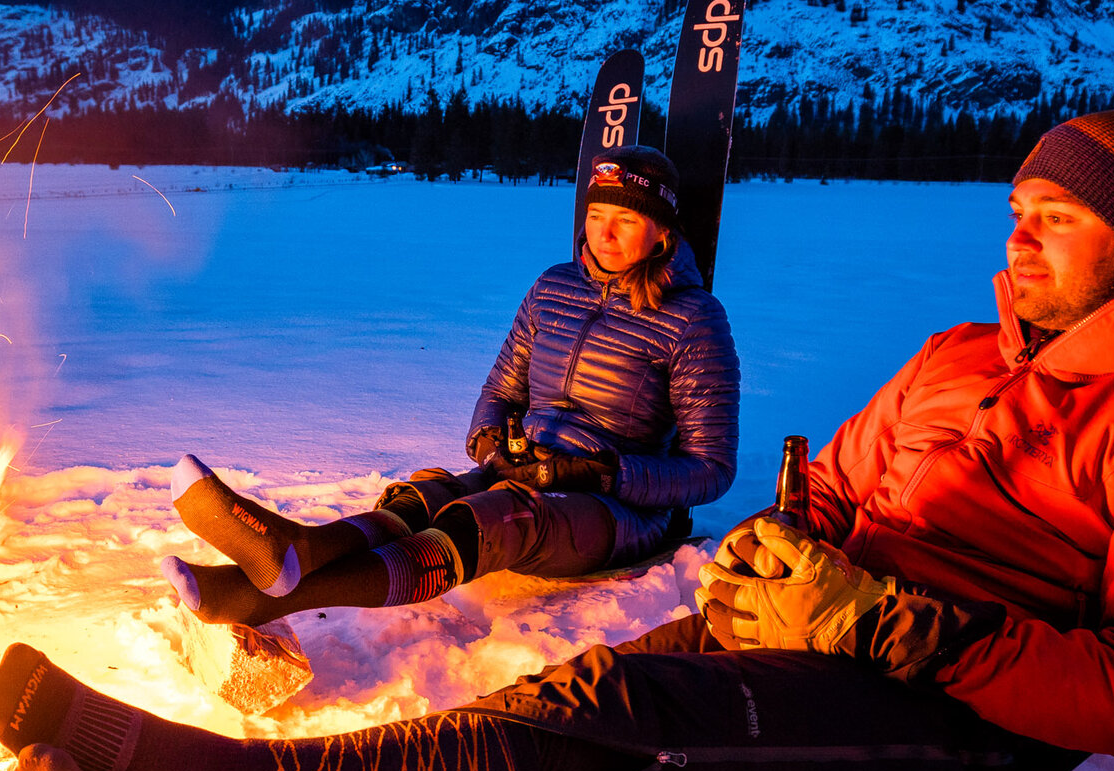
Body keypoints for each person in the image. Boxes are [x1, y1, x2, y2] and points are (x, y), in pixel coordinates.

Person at [0, 108, 1114, 771]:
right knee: (580, 703)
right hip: (824, 631)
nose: (1016, 241)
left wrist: (887, 623)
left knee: (613, 725)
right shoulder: (956, 355)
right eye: (1016, 212)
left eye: (1056, 220)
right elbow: (834, 488)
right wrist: (783, 545)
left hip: (970, 724)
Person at [159, 143, 738, 625]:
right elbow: (501, 389)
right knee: (427, 499)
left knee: (491, 520)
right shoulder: (553, 287)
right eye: (595, 216)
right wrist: (488, 439)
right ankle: (297, 550)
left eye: (626, 220)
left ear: (661, 233)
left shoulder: (693, 319)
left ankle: (261, 596)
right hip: (525, 465)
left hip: (618, 512)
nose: (604, 235)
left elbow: (712, 469)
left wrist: (603, 471)